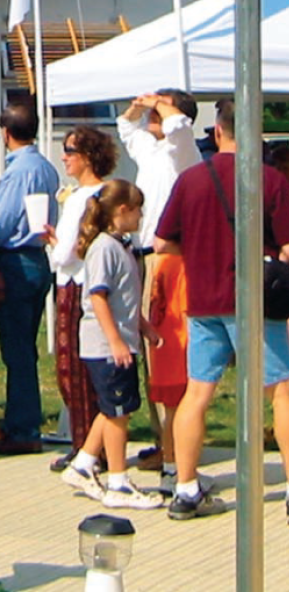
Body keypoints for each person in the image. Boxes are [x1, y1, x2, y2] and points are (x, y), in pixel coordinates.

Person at [155, 99, 289, 520]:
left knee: (198, 392)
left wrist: (198, 251)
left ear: (217, 132)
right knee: (281, 392)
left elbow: (162, 242)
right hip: (256, 302)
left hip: (203, 300)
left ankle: (186, 486)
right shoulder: (271, 180)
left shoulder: (191, 180)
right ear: (257, 136)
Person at [61, 180, 163, 510]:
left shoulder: (122, 246)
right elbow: (99, 297)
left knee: (114, 407)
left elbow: (126, 299)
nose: (141, 216)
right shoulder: (105, 248)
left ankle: (83, 463)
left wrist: (144, 327)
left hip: (121, 339)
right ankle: (118, 480)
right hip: (106, 345)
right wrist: (116, 341)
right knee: (119, 413)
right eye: (137, 211)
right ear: (122, 211)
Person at [117, 89, 201, 472]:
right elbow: (127, 129)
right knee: (151, 356)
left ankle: (175, 447)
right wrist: (137, 107)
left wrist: (164, 105)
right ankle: (162, 439)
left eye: (159, 111)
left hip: (173, 258)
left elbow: (180, 127)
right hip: (146, 256)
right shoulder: (153, 150)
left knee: (170, 350)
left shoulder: (183, 153)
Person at [0, 103, 59, 455]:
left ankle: (24, 426)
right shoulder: (44, 165)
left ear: (6, 132)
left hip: (15, 259)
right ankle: (20, 418)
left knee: (16, 351)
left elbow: (3, 222)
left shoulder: (18, 172)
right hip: (37, 257)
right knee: (23, 347)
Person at [44, 126, 117, 472]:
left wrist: (54, 247)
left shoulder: (85, 197)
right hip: (83, 280)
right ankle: (89, 445)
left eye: (70, 150)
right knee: (78, 368)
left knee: (73, 368)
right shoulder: (97, 195)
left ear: (87, 156)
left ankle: (86, 446)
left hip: (76, 283)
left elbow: (70, 252)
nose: (64, 157)